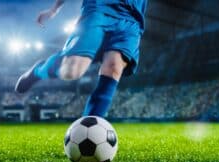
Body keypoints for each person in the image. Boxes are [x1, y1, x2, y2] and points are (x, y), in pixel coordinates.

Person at [15, 0, 147, 117]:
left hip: (132, 17)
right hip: (99, 7)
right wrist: (54, 9)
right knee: (71, 71)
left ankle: (90, 126)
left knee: (114, 67)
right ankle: (39, 70)